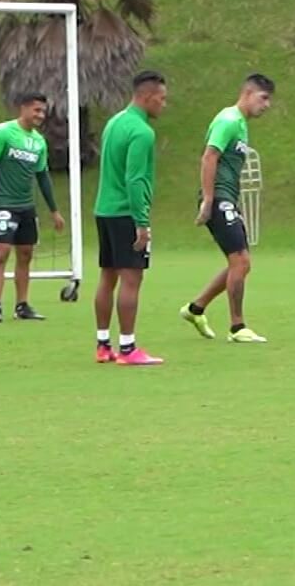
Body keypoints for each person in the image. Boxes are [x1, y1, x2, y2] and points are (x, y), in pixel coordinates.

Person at [182, 73, 273, 344]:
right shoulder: (229, 120)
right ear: (247, 93)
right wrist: (209, 200)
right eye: (263, 98)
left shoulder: (241, 125)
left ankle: (195, 309)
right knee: (241, 261)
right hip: (219, 197)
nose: (266, 105)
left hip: (228, 198)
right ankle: (237, 327)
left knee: (240, 264)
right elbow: (209, 156)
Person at [94, 70, 167, 365]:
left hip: (104, 210)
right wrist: (142, 221)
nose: (164, 105)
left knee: (107, 276)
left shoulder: (114, 123)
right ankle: (127, 348)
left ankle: (103, 345)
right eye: (162, 99)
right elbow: (135, 179)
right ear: (147, 97)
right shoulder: (142, 132)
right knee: (131, 278)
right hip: (126, 212)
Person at [0, 93, 65, 323]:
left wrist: (54, 210)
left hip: (27, 206)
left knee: (25, 254)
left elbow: (42, 176)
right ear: (23, 108)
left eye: (43, 111)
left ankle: (22, 305)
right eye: (36, 110)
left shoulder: (38, 142)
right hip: (4, 203)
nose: (40, 115)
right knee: (1, 253)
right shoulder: (4, 132)